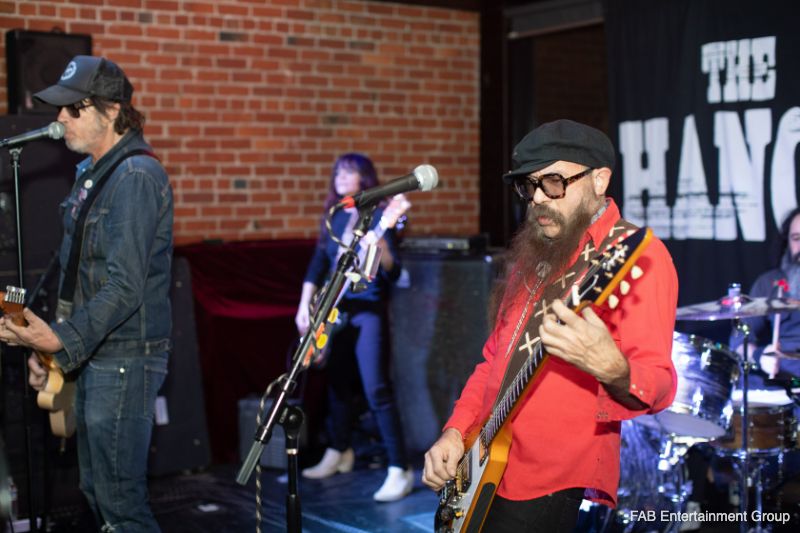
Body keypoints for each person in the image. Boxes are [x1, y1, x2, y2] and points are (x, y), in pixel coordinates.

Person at [421, 119, 679, 532]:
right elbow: (492, 361)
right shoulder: (536, 251)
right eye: (529, 186)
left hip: (547, 481)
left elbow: (660, 384)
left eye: (554, 183)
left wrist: (613, 369)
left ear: (599, 180)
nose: (538, 198)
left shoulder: (638, 257)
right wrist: (455, 430)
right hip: (484, 462)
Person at [0, 55, 173, 532]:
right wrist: (49, 348)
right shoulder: (91, 173)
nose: (61, 118)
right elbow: (74, 269)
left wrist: (61, 340)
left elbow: (124, 286)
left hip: (125, 357)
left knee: (121, 504)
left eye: (73, 108)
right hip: (95, 354)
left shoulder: (135, 177)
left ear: (112, 111)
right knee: (97, 491)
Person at [294, 153, 414, 502]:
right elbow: (319, 261)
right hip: (336, 310)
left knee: (376, 388)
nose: (341, 177)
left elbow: (392, 271)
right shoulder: (335, 215)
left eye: (349, 172)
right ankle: (339, 449)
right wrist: (304, 304)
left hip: (368, 310)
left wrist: (381, 246)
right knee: (337, 385)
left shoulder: (379, 214)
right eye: (338, 172)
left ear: (365, 177)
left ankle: (399, 468)